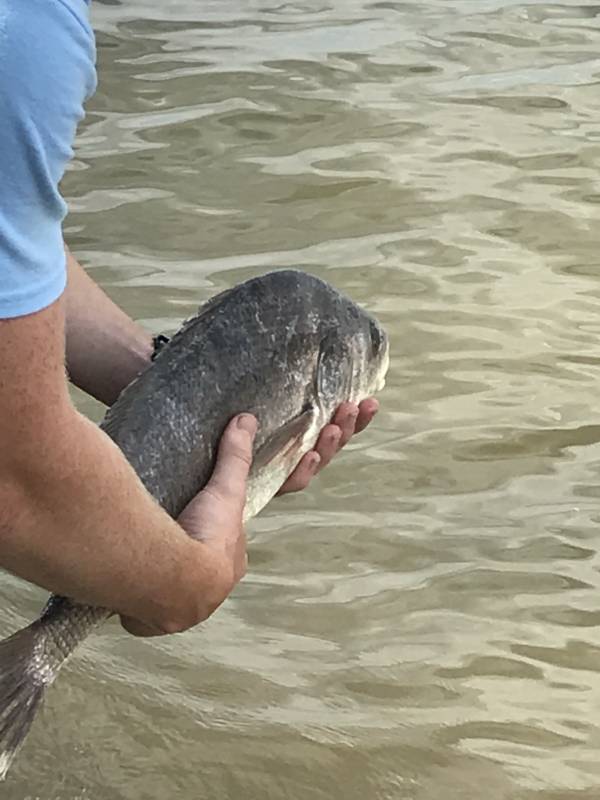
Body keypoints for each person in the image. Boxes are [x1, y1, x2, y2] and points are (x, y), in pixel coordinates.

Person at [0, 0, 378, 638]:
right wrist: (186, 580)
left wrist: (189, 394)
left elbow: (14, 243)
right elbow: (15, 479)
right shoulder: (27, 29)